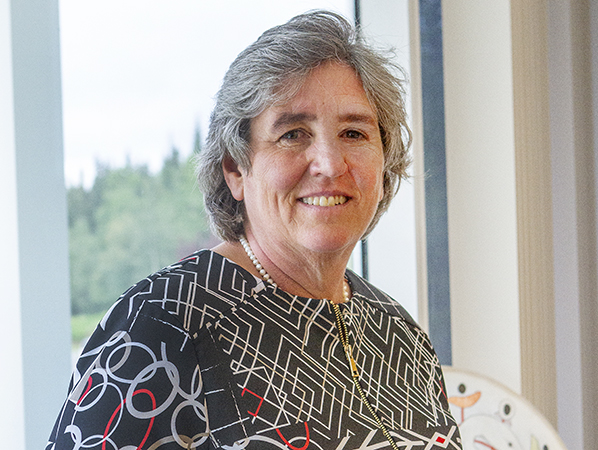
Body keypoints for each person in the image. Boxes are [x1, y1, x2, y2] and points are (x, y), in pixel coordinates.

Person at [47, 10, 461, 450]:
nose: (330, 163)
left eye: (354, 133)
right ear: (235, 169)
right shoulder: (164, 322)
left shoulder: (398, 332)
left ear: (384, 160)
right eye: (293, 134)